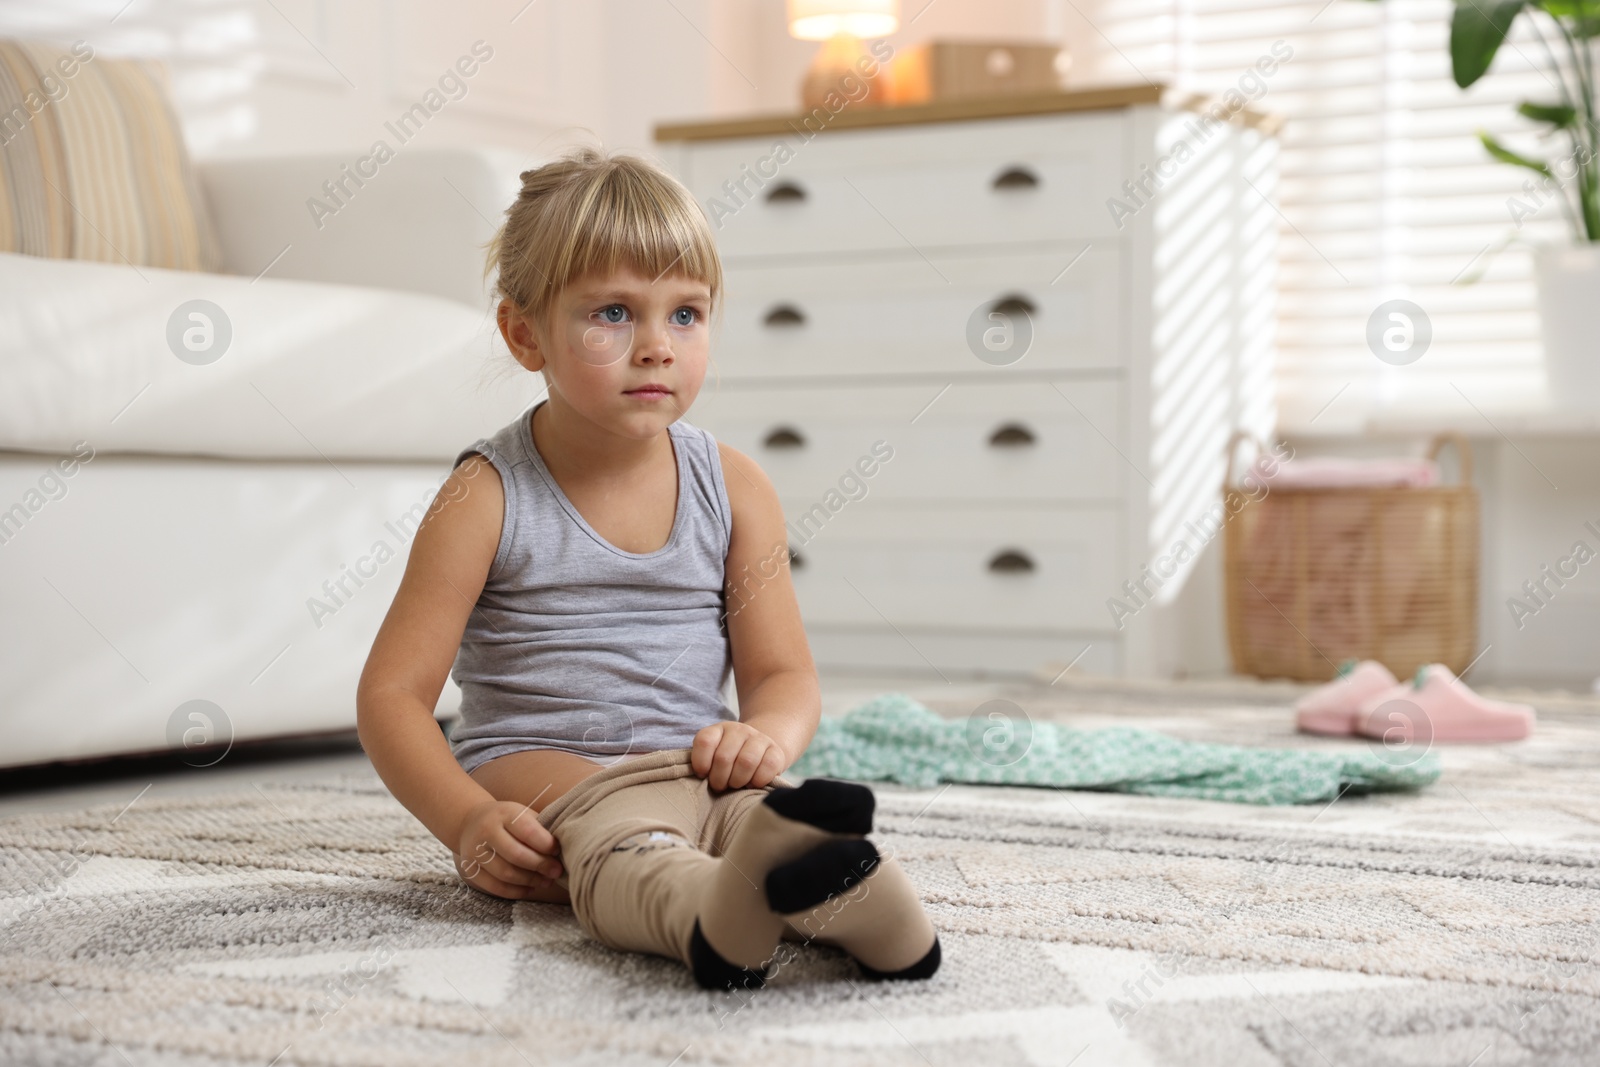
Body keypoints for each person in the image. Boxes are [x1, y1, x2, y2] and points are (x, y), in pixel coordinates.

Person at [356, 146, 940, 991]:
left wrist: (761, 739)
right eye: (614, 314)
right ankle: (715, 918)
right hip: (574, 793)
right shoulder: (484, 496)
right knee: (629, 859)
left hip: (704, 775)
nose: (657, 347)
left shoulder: (735, 486)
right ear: (525, 334)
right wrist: (467, 820)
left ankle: (873, 908)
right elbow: (392, 697)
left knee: (778, 824)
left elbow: (783, 673)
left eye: (687, 315)